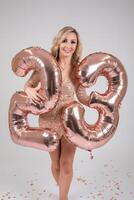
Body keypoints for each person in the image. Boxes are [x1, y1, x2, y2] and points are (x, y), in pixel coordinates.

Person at [24, 26, 82, 200]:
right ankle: (62, 187)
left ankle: (62, 198)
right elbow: (29, 84)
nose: (68, 45)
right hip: (49, 121)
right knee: (56, 165)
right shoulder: (46, 64)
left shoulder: (78, 69)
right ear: (58, 42)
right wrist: (29, 90)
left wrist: (108, 104)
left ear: (77, 45)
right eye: (65, 40)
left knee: (66, 165)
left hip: (70, 121)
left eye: (73, 41)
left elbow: (82, 95)